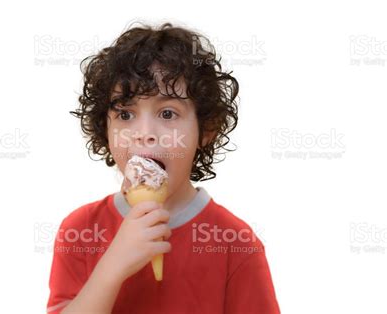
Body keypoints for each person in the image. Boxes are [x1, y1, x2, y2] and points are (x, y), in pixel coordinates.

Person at [47, 22, 280, 314]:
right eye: (126, 113)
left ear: (206, 129)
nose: (144, 132)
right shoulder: (80, 230)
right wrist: (112, 267)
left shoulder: (236, 243)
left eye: (167, 113)